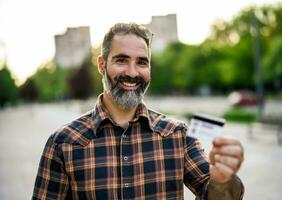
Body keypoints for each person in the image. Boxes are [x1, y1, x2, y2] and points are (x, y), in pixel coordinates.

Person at [32, 23, 244, 199]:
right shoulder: (63, 142)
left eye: (141, 62)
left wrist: (222, 180)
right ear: (101, 65)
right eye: (122, 60)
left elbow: (216, 195)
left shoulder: (178, 135)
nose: (132, 73)